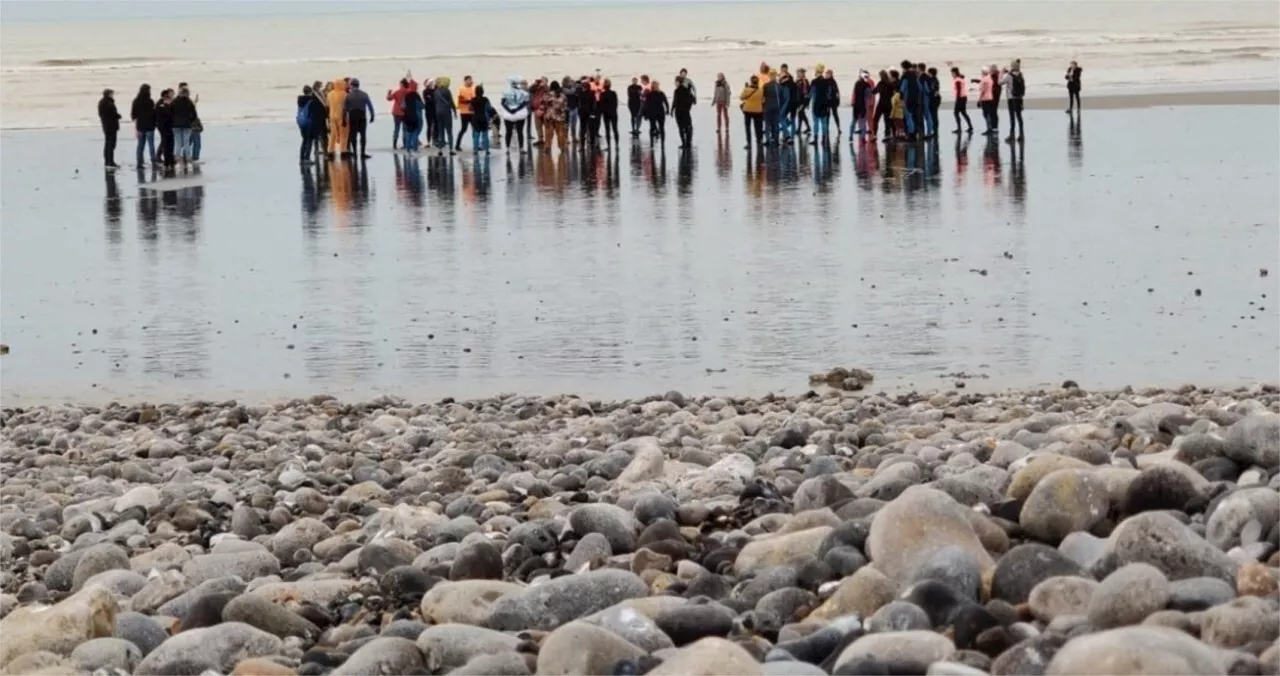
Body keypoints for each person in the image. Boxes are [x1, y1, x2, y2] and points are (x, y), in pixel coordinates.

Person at [344, 78, 375, 159]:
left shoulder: (348, 95)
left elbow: (345, 108)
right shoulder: (364, 94)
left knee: (353, 134)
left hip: (353, 116)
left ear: (352, 85)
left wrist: (344, 119)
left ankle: (354, 152)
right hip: (362, 116)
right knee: (363, 135)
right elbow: (370, 106)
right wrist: (372, 115)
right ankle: (362, 153)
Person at [500, 76, 530, 153]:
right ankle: (521, 148)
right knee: (520, 131)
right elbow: (525, 103)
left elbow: (503, 103)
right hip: (520, 113)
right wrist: (517, 109)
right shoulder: (524, 93)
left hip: (508, 114)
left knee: (508, 131)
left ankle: (507, 149)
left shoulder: (505, 92)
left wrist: (509, 110)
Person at [297, 85, 326, 162]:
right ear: (311, 92)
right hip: (310, 122)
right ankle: (307, 158)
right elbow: (320, 109)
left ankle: (301, 158)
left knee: (304, 140)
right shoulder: (312, 101)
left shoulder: (300, 100)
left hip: (301, 122)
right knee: (310, 140)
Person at [130, 84, 156, 167]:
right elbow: (153, 114)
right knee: (151, 144)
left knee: (140, 145)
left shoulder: (136, 101)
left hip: (140, 125)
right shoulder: (150, 101)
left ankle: (139, 162)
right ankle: (153, 162)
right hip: (150, 125)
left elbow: (133, 115)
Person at [169, 86, 197, 165]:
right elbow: (194, 114)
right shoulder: (189, 102)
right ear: (187, 93)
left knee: (178, 142)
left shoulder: (174, 101)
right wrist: (190, 121)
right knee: (186, 142)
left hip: (176, 125)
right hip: (187, 125)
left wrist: (173, 121)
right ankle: (188, 157)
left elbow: (170, 113)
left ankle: (177, 157)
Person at [98, 88, 121, 169]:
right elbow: (112, 114)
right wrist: (118, 116)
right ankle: (110, 161)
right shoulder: (108, 103)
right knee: (111, 144)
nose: (113, 95)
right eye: (112, 94)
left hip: (106, 125)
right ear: (108, 94)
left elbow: (102, 114)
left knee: (108, 144)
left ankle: (108, 161)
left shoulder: (101, 102)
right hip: (111, 126)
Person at [179, 82, 202, 161]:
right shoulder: (181, 101)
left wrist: (195, 102)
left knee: (191, 142)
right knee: (193, 142)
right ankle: (192, 158)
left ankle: (190, 157)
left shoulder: (183, 101)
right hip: (189, 124)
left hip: (190, 124)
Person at [739, 75, 763, 150]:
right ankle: (759, 141)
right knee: (758, 127)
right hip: (758, 110)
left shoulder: (747, 89)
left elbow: (741, 97)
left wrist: (746, 87)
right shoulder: (761, 90)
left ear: (751, 81)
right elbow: (763, 99)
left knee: (748, 127)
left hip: (748, 110)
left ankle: (749, 143)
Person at [543, 80, 568, 152]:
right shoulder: (562, 95)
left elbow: (543, 104)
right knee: (560, 132)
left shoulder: (547, 95)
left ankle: (547, 147)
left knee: (548, 133)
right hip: (560, 116)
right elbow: (565, 107)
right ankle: (562, 147)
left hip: (549, 116)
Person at [433, 76, 457, 154]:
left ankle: (440, 149)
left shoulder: (436, 91)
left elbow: (435, 101)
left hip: (437, 112)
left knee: (440, 130)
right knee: (449, 131)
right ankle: (451, 149)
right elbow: (451, 101)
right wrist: (455, 111)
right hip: (446, 112)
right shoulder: (447, 91)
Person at [326, 78, 349, 158]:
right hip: (341, 116)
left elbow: (328, 105)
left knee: (333, 134)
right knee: (344, 134)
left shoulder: (330, 94)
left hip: (332, 116)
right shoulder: (344, 94)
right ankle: (343, 151)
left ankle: (330, 150)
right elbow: (346, 107)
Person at [808, 70, 831, 146]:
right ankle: (824, 139)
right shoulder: (827, 82)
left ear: (817, 73)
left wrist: (807, 101)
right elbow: (829, 93)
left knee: (816, 122)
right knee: (824, 123)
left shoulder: (814, 82)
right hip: (824, 104)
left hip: (816, 104)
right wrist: (827, 102)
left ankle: (815, 139)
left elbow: (811, 93)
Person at [643, 80, 669, 145]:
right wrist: (667, 110)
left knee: (654, 128)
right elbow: (666, 102)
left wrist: (645, 114)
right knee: (660, 128)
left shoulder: (650, 94)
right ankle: (661, 143)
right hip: (658, 112)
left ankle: (653, 142)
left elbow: (646, 105)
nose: (657, 86)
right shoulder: (660, 93)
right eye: (657, 85)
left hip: (654, 112)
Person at [387, 76, 410, 149]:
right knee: (405, 129)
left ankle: (394, 144)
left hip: (396, 112)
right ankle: (405, 144)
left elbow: (389, 98)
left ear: (402, 84)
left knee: (396, 128)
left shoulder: (397, 92)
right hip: (405, 112)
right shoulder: (409, 92)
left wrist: (389, 92)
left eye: (400, 84)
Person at [455, 75, 476, 152]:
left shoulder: (474, 88)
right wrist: (469, 100)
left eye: (471, 80)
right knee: (463, 129)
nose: (470, 81)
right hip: (464, 112)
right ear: (465, 81)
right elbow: (460, 100)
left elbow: (476, 98)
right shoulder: (461, 88)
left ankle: (476, 145)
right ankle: (457, 145)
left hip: (472, 112)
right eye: (469, 80)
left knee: (475, 129)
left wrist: (470, 100)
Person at [1005, 60, 1025, 142]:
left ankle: (1012, 135)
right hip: (1019, 98)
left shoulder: (1009, 75)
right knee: (1019, 116)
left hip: (1011, 98)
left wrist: (1001, 74)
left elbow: (1000, 82)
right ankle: (1021, 135)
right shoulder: (1021, 74)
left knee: (1012, 117)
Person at [470, 85, 493, 154]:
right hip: (484, 118)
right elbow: (489, 108)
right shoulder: (485, 99)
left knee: (476, 135)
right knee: (485, 135)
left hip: (475, 118)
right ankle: (487, 150)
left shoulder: (473, 100)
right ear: (482, 92)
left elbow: (470, 108)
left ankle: (475, 150)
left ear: (475, 92)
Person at [402, 80, 424, 152]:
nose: (417, 87)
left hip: (407, 117)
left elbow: (402, 106)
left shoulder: (406, 95)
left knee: (408, 133)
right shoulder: (416, 95)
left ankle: (408, 149)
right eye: (416, 86)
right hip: (416, 116)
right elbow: (421, 106)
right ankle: (415, 149)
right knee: (415, 132)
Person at [155, 89, 175, 167]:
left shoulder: (166, 104)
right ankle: (164, 158)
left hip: (166, 126)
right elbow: (166, 115)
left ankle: (169, 158)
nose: (172, 96)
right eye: (171, 94)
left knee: (167, 142)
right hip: (164, 126)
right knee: (165, 142)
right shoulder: (161, 104)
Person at [950, 67, 973, 133]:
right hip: (964, 97)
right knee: (963, 112)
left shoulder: (957, 80)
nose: (951, 74)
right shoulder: (960, 78)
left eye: (952, 73)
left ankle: (959, 128)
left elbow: (958, 90)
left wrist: (957, 99)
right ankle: (970, 126)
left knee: (956, 112)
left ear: (954, 73)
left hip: (960, 98)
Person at [872, 70, 893, 140]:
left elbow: (875, 91)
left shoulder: (881, 83)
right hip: (889, 104)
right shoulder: (890, 83)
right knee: (887, 120)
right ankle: (887, 135)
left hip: (881, 104)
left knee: (875, 119)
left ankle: (874, 135)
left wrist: (870, 90)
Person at [762, 69, 781, 146]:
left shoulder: (766, 86)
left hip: (768, 107)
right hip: (776, 106)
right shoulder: (779, 86)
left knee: (767, 124)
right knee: (776, 124)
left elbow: (762, 97)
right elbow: (781, 97)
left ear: (769, 76)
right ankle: (776, 140)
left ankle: (768, 140)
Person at [600, 78, 620, 150]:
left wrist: (602, 112)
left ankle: (609, 146)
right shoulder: (614, 93)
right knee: (615, 129)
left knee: (607, 129)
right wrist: (613, 109)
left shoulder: (602, 94)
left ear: (604, 86)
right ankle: (617, 145)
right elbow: (616, 104)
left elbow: (601, 105)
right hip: (613, 112)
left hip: (606, 114)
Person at [851, 70, 872, 136]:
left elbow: (854, 93)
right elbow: (869, 95)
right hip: (863, 105)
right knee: (863, 121)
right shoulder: (867, 85)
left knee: (854, 120)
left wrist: (853, 101)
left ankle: (850, 136)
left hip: (856, 104)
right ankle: (863, 137)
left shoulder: (857, 83)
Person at [825, 68, 842, 140]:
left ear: (831, 74)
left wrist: (838, 100)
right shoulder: (825, 81)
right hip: (828, 101)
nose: (826, 75)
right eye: (826, 74)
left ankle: (838, 128)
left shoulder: (833, 81)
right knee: (827, 115)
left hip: (833, 101)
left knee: (835, 115)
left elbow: (837, 91)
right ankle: (827, 128)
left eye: (828, 74)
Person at [925, 66, 942, 137]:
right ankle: (935, 131)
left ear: (930, 73)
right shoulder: (935, 79)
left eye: (928, 72)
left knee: (933, 115)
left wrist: (930, 95)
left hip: (934, 99)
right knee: (934, 115)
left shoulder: (932, 80)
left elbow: (935, 91)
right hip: (936, 99)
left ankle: (935, 131)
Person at [977, 67, 995, 135]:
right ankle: (990, 128)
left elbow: (983, 91)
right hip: (990, 97)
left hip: (985, 99)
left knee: (986, 114)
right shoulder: (990, 79)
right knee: (988, 113)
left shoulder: (984, 80)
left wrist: (979, 100)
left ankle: (989, 128)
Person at [794, 68, 812, 136]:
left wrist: (807, 102)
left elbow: (806, 92)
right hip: (800, 100)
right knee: (801, 114)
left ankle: (799, 128)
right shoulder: (799, 81)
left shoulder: (804, 81)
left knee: (800, 113)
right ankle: (807, 127)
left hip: (803, 100)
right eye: (797, 73)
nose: (798, 74)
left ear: (802, 73)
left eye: (799, 73)